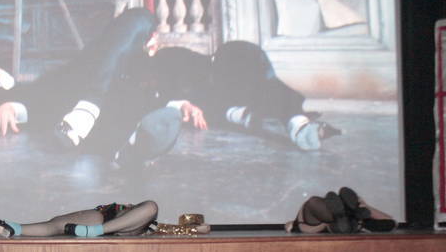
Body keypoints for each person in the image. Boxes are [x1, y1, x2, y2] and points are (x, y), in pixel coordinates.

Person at [0, 7, 159, 159]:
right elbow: (51, 103)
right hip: (88, 100)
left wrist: (11, 90)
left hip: (89, 91)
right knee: (139, 20)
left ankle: (90, 105)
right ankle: (90, 105)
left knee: (139, 20)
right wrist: (15, 107)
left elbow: (51, 90)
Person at [116, 40, 342, 166]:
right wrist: (182, 104)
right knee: (262, 89)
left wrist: (182, 102)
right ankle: (290, 120)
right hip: (221, 102)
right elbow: (153, 104)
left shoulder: (165, 58)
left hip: (220, 73)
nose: (144, 84)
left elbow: (189, 78)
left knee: (261, 77)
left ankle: (291, 119)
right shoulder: (141, 92)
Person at [0, 200, 158, 238]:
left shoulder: (143, 214)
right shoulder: (110, 211)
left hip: (127, 228)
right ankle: (13, 228)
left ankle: (94, 231)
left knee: (151, 207)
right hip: (104, 217)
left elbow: (148, 210)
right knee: (57, 224)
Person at [286, 186, 397, 234]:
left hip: (330, 223)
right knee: (313, 203)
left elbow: (391, 223)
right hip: (346, 222)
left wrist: (365, 206)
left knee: (313, 203)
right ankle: (347, 213)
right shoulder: (364, 221)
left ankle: (344, 214)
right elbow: (391, 222)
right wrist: (366, 207)